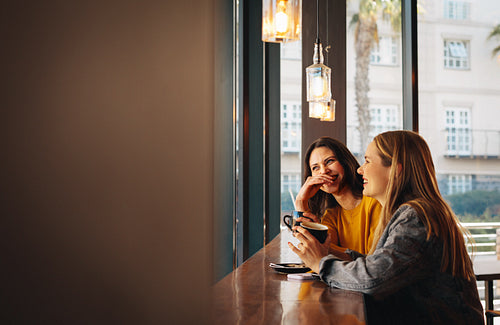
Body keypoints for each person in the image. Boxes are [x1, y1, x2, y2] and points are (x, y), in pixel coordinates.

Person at [289, 130, 484, 324]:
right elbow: (381, 265)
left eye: (368, 161)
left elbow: (373, 277)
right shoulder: (413, 212)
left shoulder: (415, 217)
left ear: (395, 169)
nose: (360, 169)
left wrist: (320, 263)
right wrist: (323, 252)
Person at [294, 137, 381, 259]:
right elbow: (315, 254)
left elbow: (373, 261)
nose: (324, 171)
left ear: (345, 162)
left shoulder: (375, 202)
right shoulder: (331, 215)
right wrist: (301, 202)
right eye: (316, 168)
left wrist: (324, 248)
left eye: (329, 161)